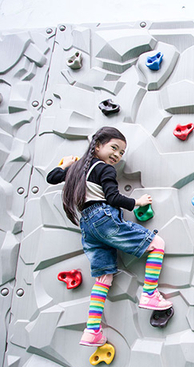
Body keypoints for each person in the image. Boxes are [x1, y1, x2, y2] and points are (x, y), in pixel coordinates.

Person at [47, 126, 172, 347]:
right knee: (157, 244)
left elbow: (52, 177)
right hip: (103, 218)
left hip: (87, 225)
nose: (117, 155)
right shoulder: (104, 169)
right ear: (97, 146)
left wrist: (65, 164)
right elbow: (113, 198)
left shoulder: (77, 170)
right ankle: (150, 293)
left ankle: (92, 330)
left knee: (104, 277)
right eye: (114, 148)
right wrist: (137, 203)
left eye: (122, 152)